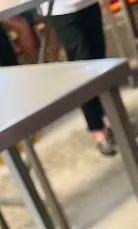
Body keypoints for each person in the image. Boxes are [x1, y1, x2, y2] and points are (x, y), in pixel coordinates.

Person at [42, 0, 117, 155]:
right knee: (83, 68)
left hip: (88, 4)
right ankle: (97, 128)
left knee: (99, 61)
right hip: (62, 10)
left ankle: (110, 117)